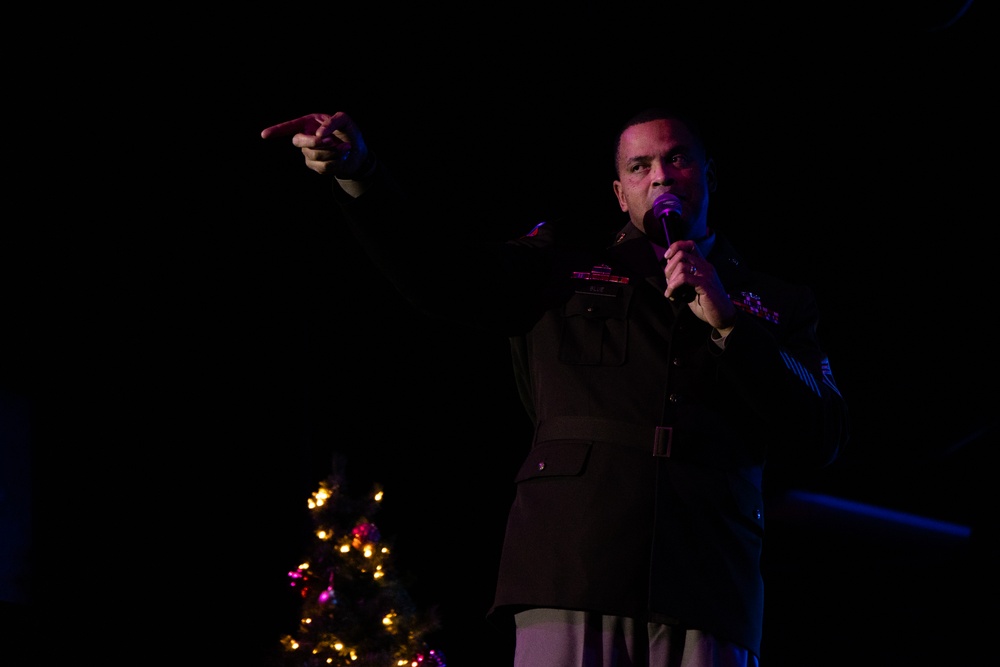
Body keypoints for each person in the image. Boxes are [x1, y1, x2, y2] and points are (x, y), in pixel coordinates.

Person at [260, 105, 850, 666]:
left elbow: (821, 432)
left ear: (709, 175)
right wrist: (361, 172)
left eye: (678, 159)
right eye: (640, 167)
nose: (661, 177)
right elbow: (440, 276)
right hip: (573, 567)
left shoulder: (776, 303)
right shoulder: (562, 262)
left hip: (709, 583)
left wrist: (729, 323)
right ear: (619, 193)